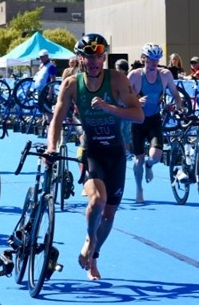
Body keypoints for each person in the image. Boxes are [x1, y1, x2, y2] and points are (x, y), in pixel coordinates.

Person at [47, 33, 143, 280]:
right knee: (97, 200)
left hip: (116, 154)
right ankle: (90, 239)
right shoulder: (71, 84)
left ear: (104, 58)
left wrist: (110, 107)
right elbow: (56, 121)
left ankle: (94, 254)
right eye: (89, 57)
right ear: (80, 58)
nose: (94, 62)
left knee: (109, 215)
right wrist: (51, 148)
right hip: (91, 152)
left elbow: (138, 115)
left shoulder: (117, 80)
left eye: (98, 57)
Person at [126, 43, 184, 204]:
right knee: (139, 159)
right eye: (150, 59)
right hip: (137, 120)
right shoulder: (135, 75)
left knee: (155, 157)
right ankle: (139, 189)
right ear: (143, 58)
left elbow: (174, 92)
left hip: (154, 119)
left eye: (156, 60)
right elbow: (122, 96)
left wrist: (179, 104)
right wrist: (136, 101)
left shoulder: (165, 75)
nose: (153, 63)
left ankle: (149, 166)